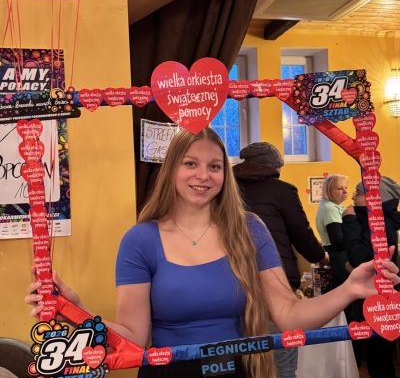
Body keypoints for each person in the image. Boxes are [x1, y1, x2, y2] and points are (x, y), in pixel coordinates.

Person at [26, 128, 400, 378]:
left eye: (215, 166)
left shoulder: (249, 228)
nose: (203, 175)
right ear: (171, 170)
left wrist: (350, 288)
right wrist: (74, 309)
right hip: (169, 373)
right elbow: (133, 338)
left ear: (226, 174)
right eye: (190, 163)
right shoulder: (140, 240)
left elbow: (289, 316)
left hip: (239, 371)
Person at [233, 142, 329, 378]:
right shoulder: (282, 190)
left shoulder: (227, 188)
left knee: (242, 360)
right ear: (274, 166)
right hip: (277, 280)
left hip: (233, 280)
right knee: (282, 362)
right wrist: (320, 256)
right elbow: (301, 232)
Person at [342, 176, 400, 378]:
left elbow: (360, 258)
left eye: (358, 193)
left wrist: (349, 221)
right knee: (378, 357)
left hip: (378, 299)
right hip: (376, 296)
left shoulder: (379, 224)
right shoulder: (376, 221)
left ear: (374, 197)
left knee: (379, 358)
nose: (352, 197)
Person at [316, 174, 350, 289]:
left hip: (335, 255)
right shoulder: (330, 209)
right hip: (338, 257)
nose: (345, 191)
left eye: (346, 187)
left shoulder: (330, 206)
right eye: (340, 188)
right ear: (329, 191)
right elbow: (338, 242)